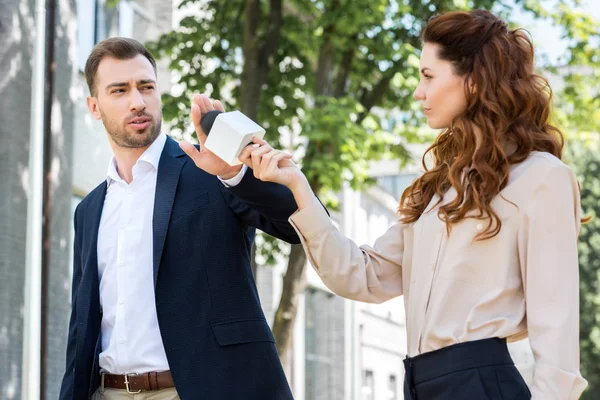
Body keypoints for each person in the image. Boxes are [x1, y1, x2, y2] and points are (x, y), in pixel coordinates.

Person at [238, 9, 588, 400]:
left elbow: (557, 343)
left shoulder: (542, 177)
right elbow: (360, 276)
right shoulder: (439, 188)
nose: (419, 92)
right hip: (419, 382)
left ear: (473, 81)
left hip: (482, 385)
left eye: (428, 76)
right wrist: (296, 185)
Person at [59, 37, 302, 400]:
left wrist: (237, 172)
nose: (137, 102)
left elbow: (297, 225)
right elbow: (82, 327)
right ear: (94, 106)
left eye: (146, 87)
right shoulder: (89, 209)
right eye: (119, 90)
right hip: (107, 391)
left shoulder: (212, 169)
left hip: (199, 389)